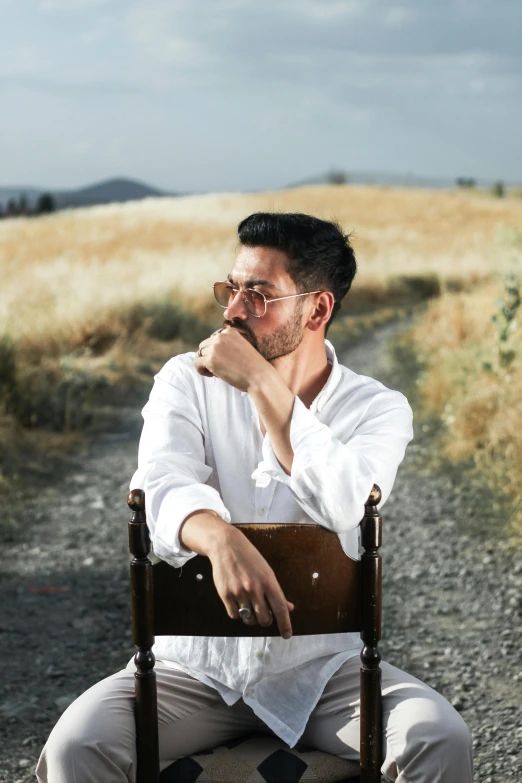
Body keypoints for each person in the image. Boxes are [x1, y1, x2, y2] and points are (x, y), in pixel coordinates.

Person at [36, 212, 473, 782]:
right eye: (232, 288)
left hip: (321, 675)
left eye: (260, 295)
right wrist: (220, 540)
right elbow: (161, 481)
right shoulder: (184, 379)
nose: (233, 311)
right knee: (77, 745)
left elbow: (344, 502)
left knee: (440, 738)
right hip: (194, 672)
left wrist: (264, 385)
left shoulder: (378, 408)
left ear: (318, 309)